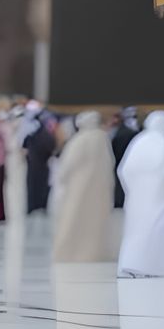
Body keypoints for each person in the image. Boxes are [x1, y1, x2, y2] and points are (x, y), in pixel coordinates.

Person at [116, 110, 164, 278]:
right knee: (158, 230)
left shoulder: (139, 141)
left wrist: (131, 190)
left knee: (134, 231)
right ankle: (155, 267)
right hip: (160, 197)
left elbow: (124, 170)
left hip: (137, 198)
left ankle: (130, 263)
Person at [51, 112, 119, 263]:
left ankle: (70, 252)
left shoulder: (79, 140)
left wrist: (62, 180)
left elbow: (67, 166)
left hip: (78, 188)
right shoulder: (102, 138)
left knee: (73, 220)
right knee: (95, 223)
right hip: (99, 190)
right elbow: (110, 163)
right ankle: (94, 253)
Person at [22, 106, 57, 215]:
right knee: (41, 185)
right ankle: (41, 205)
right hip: (42, 164)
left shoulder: (31, 133)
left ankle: (33, 206)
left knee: (33, 186)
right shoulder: (45, 134)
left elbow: (24, 147)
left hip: (34, 164)